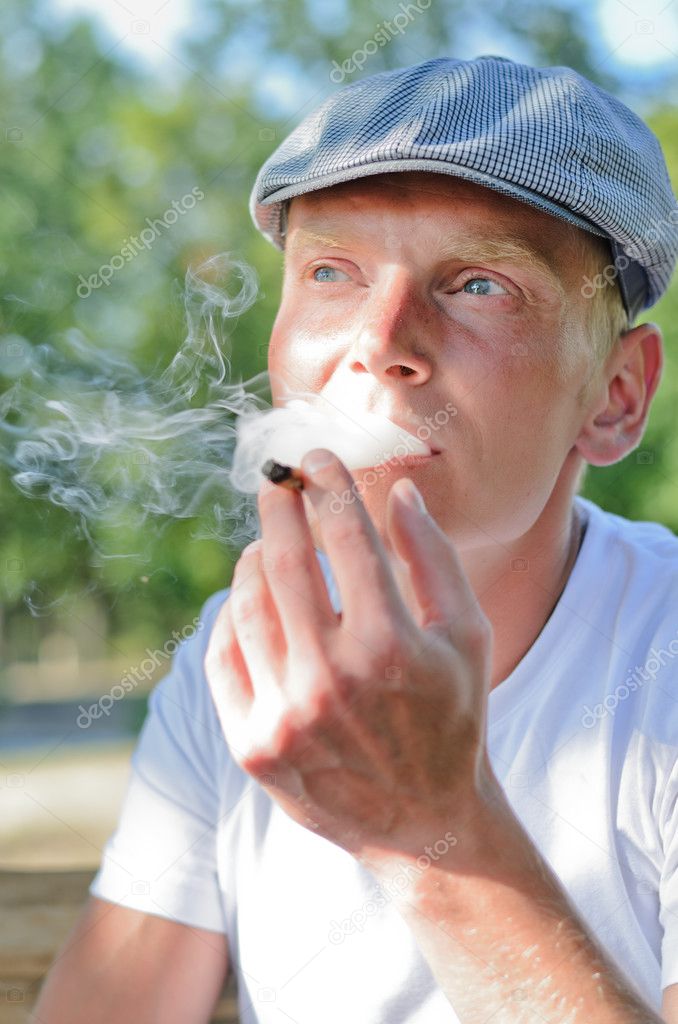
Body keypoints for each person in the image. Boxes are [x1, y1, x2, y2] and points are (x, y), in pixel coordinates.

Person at [35, 55, 678, 1024]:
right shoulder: (238, 652)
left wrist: (431, 832)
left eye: (478, 284)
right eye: (332, 271)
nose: (379, 339)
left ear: (616, 395)